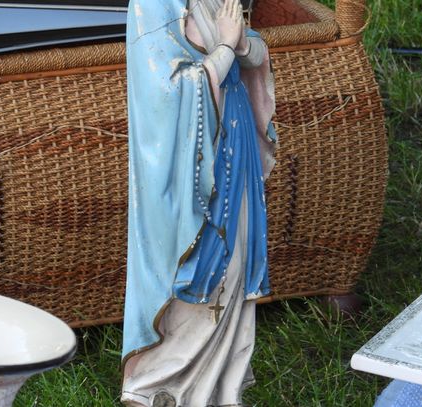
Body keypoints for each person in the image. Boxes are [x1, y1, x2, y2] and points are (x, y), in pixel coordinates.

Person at [121, 0, 277, 405]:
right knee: (200, 263)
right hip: (191, 162)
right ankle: (160, 385)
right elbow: (165, 92)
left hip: (235, 137)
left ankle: (223, 386)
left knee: (236, 255)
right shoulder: (151, 7)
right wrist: (224, 49)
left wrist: (241, 45)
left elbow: (251, 46)